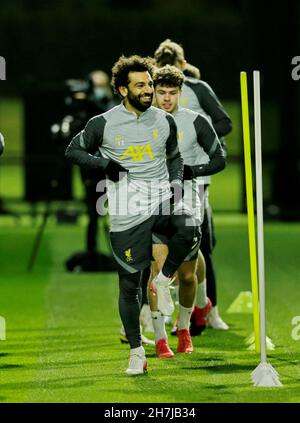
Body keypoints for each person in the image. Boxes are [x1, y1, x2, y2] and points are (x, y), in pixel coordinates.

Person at [65, 55, 200, 375]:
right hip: (127, 212)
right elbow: (74, 150)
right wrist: (104, 165)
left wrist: (176, 189)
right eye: (141, 85)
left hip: (162, 200)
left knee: (190, 227)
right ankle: (137, 352)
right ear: (123, 90)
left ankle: (163, 281)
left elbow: (175, 159)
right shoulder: (104, 123)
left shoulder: (163, 120)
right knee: (129, 285)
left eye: (150, 84)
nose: (149, 90)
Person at [154, 39, 232, 330]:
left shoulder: (198, 90)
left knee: (201, 248)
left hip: (196, 182)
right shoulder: (152, 95)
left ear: (183, 67)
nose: (168, 91)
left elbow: (224, 124)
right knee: (156, 248)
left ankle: (208, 310)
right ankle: (161, 317)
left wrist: (202, 135)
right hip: (160, 185)